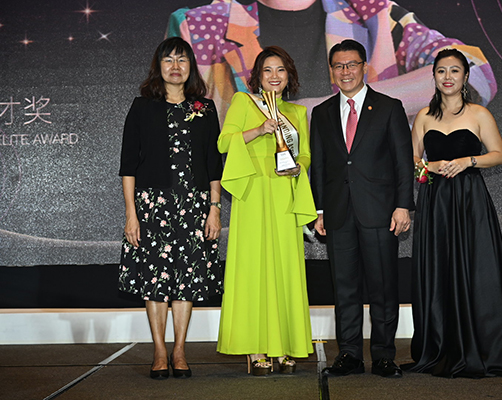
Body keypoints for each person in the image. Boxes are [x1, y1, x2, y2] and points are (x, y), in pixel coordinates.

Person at [167, 0, 497, 121]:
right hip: (254, 197)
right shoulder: (199, 27)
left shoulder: (374, 14)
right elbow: (179, 127)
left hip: (355, 195)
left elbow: (474, 71)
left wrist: (344, 105)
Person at [410, 48, 502, 378]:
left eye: (454, 71)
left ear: (465, 77)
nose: (447, 77)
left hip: (469, 200)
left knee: (477, 269)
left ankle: (485, 346)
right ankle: (441, 345)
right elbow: (412, 162)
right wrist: (430, 167)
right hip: (436, 202)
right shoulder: (423, 116)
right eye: (441, 71)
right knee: (439, 269)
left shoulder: (479, 114)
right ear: (434, 76)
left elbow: (499, 154)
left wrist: (467, 161)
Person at [118, 37, 224, 380]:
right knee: (155, 280)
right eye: (168, 60)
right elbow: (128, 166)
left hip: (194, 206)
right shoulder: (142, 107)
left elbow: (213, 164)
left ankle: (179, 349)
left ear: (191, 67)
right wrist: (131, 214)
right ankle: (159, 351)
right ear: (158, 66)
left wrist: (214, 208)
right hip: (153, 207)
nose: (175, 67)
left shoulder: (205, 108)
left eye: (182, 60)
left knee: (186, 279)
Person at [310, 39, 414, 378]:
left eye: (352, 64)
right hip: (338, 213)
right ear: (331, 71)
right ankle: (350, 354)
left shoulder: (389, 107)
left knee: (383, 287)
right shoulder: (322, 112)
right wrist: (320, 210)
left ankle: (383, 355)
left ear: (364, 67)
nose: (346, 71)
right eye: (338, 66)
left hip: (380, 212)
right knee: (344, 288)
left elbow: (402, 162)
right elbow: (319, 166)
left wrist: (403, 205)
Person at [216, 46, 317, 375]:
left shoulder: (297, 112)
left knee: (285, 269)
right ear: (257, 76)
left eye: (281, 70)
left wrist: (299, 168)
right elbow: (223, 142)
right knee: (254, 269)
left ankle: (285, 345)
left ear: (289, 76)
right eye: (267, 70)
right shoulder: (243, 102)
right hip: (254, 194)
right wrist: (259, 130)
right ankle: (257, 348)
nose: (274, 76)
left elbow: (306, 155)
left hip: (284, 194)